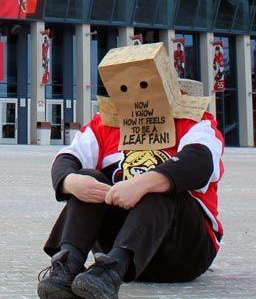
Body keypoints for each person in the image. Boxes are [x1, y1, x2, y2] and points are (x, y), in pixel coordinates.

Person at [37, 43, 224, 299]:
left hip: (181, 250)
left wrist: (144, 182)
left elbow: (200, 162)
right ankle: (68, 263)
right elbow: (68, 157)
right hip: (117, 246)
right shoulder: (105, 127)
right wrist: (70, 182)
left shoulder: (195, 122)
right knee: (87, 178)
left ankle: (113, 269)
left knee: (162, 182)